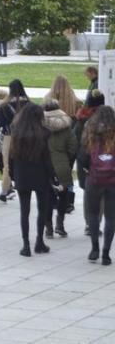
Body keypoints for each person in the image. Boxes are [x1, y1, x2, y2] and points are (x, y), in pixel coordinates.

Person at [10, 103, 58, 257]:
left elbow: (11, 157)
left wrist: (12, 175)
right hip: (40, 176)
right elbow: (47, 159)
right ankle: (39, 241)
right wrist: (53, 176)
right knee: (42, 209)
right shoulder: (44, 134)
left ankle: (26, 245)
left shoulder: (17, 133)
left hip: (22, 176)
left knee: (24, 211)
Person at [80, 105, 115, 266]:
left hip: (94, 178)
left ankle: (94, 248)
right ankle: (106, 253)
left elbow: (82, 156)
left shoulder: (90, 131)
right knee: (111, 217)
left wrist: (87, 169)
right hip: (112, 181)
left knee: (93, 214)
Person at [43, 99, 77, 238]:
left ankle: (48, 228)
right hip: (62, 166)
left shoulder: (41, 126)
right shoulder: (67, 128)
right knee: (63, 197)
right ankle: (60, 225)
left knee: (47, 198)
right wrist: (66, 160)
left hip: (45, 167)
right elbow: (73, 147)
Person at [0, 79, 31, 203]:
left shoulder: (5, 105)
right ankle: (25, 186)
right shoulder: (29, 103)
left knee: (7, 165)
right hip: (26, 137)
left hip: (10, 136)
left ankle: (5, 191)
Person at [76, 90, 106, 235]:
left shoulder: (82, 118)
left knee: (89, 193)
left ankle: (89, 223)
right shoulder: (109, 119)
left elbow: (76, 141)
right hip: (105, 162)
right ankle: (97, 223)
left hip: (86, 161)